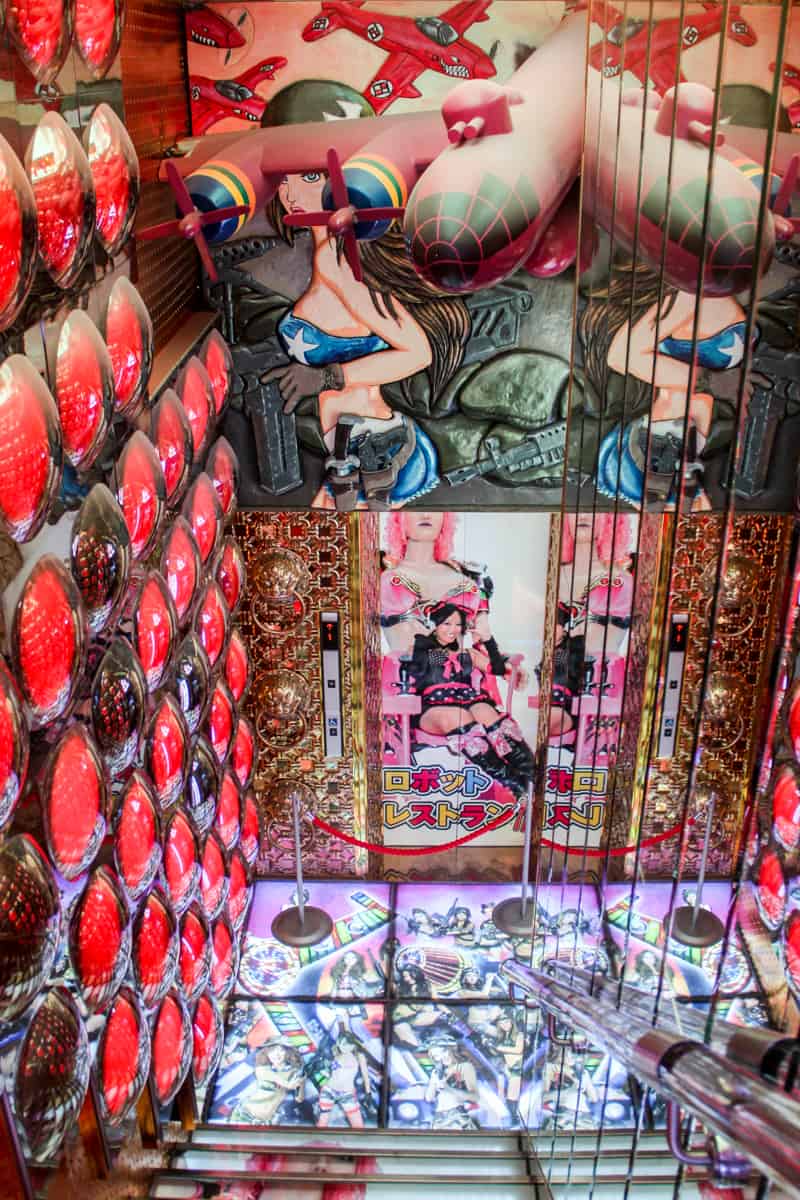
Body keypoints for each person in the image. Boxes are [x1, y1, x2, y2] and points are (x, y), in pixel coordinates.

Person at [263, 178, 469, 509]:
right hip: (351, 451)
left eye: (310, 179)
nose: (290, 194)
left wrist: (327, 377)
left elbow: (417, 352)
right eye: (284, 181)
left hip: (373, 452)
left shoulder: (337, 259)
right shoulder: (328, 254)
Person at [577, 260, 754, 510]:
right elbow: (620, 354)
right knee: (678, 511)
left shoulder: (715, 288)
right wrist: (689, 377)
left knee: (691, 511)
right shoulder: (686, 298)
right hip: (663, 440)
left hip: (682, 438)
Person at [407, 601, 536, 796]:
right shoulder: (420, 647)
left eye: (458, 624)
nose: (453, 630)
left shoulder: (469, 654)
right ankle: (512, 782)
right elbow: (416, 666)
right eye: (447, 624)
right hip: (434, 706)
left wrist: (489, 641)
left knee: (488, 715)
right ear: (435, 624)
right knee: (458, 716)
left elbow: (497, 668)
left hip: (469, 700)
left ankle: (530, 775)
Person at [545, 512, 636, 745]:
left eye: (595, 511)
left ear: (611, 521)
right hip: (550, 680)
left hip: (589, 687)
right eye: (576, 509)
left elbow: (598, 645)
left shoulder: (617, 581)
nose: (583, 515)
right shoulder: (549, 573)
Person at [234, 1039, 304, 1124]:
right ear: (266, 1053)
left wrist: (301, 1083)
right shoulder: (262, 1069)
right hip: (244, 1114)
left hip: (265, 1121)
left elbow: (299, 1099)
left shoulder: (293, 1072)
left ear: (288, 1052)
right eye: (272, 1051)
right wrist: (289, 1084)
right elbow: (276, 1078)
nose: (276, 1054)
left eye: (281, 1050)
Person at [317, 1028, 373, 1128]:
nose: (345, 1047)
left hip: (347, 1093)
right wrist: (322, 1077)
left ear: (353, 1045)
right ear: (338, 1042)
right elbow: (326, 1070)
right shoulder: (333, 1052)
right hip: (328, 1090)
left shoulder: (359, 1056)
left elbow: (365, 1076)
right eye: (342, 1043)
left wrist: (368, 1093)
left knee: (358, 1126)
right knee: (322, 1122)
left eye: (348, 1044)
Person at [424, 1039, 481, 1130]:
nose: (442, 1057)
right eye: (436, 1056)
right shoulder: (437, 1072)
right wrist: (433, 1081)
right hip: (438, 1118)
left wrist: (449, 1089)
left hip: (457, 1116)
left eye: (443, 1051)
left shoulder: (464, 1067)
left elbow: (475, 1097)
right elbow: (428, 1098)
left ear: (450, 1049)